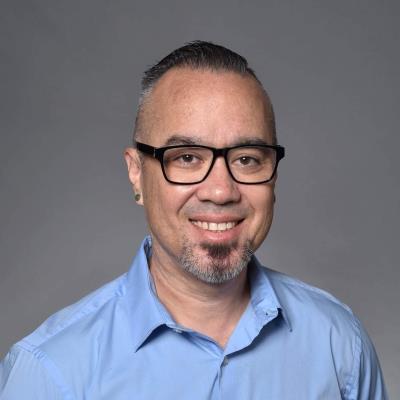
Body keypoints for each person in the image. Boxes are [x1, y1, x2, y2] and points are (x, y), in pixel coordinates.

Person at [0, 41, 387, 400]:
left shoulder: (340, 345)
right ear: (136, 174)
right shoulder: (50, 373)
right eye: (186, 157)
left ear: (273, 175)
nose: (220, 191)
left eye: (247, 159)